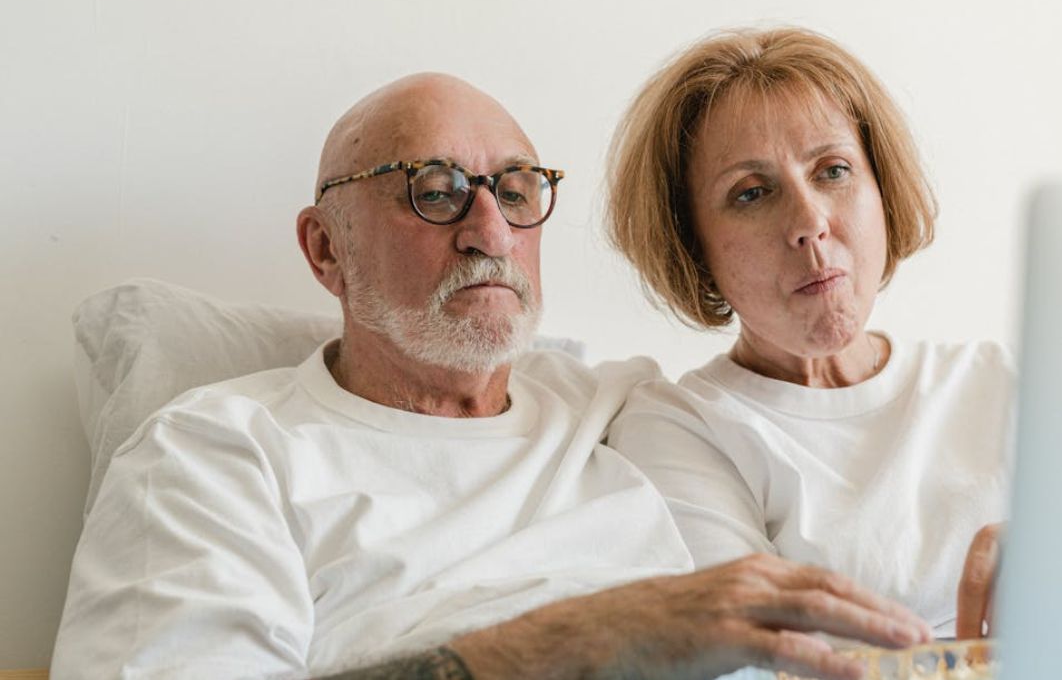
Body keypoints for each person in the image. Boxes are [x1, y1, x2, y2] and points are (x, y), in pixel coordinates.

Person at [50, 72, 933, 680]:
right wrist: (573, 640)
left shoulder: (627, 409)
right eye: (433, 191)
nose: (490, 231)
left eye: (514, 190)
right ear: (327, 249)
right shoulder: (212, 455)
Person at [605, 27, 1014, 640]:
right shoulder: (680, 427)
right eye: (751, 193)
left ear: (883, 191)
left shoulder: (1001, 382)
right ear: (693, 246)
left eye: (833, 170)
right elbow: (759, 660)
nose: (809, 222)